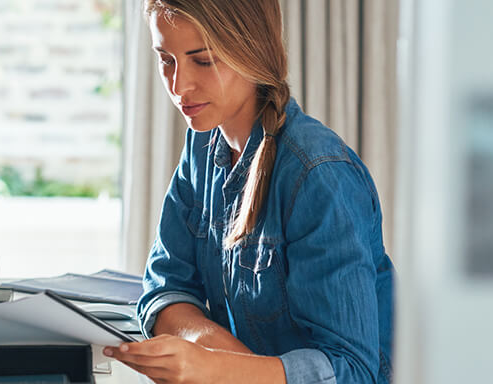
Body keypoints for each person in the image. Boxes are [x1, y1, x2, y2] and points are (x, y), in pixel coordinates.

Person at [102, 0, 395, 383]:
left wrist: (213, 367)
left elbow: (353, 372)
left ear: (251, 52)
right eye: (166, 60)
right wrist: (205, 350)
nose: (179, 87)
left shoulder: (319, 175)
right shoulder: (201, 145)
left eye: (202, 61)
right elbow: (166, 288)